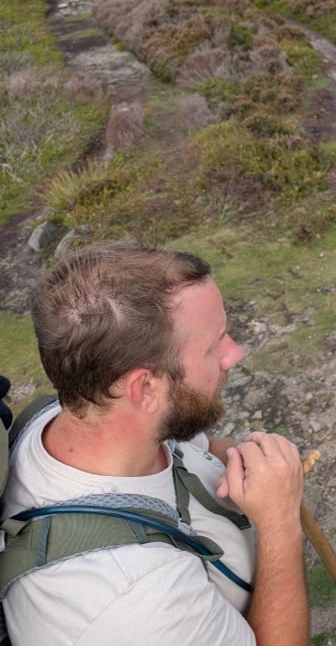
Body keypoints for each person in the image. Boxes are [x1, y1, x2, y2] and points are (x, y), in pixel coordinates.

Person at [1, 243, 308, 646]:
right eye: (214, 344)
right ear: (145, 388)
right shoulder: (136, 604)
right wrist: (280, 523)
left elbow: (194, 444)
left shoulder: (70, 415)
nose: (234, 353)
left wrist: (226, 455)